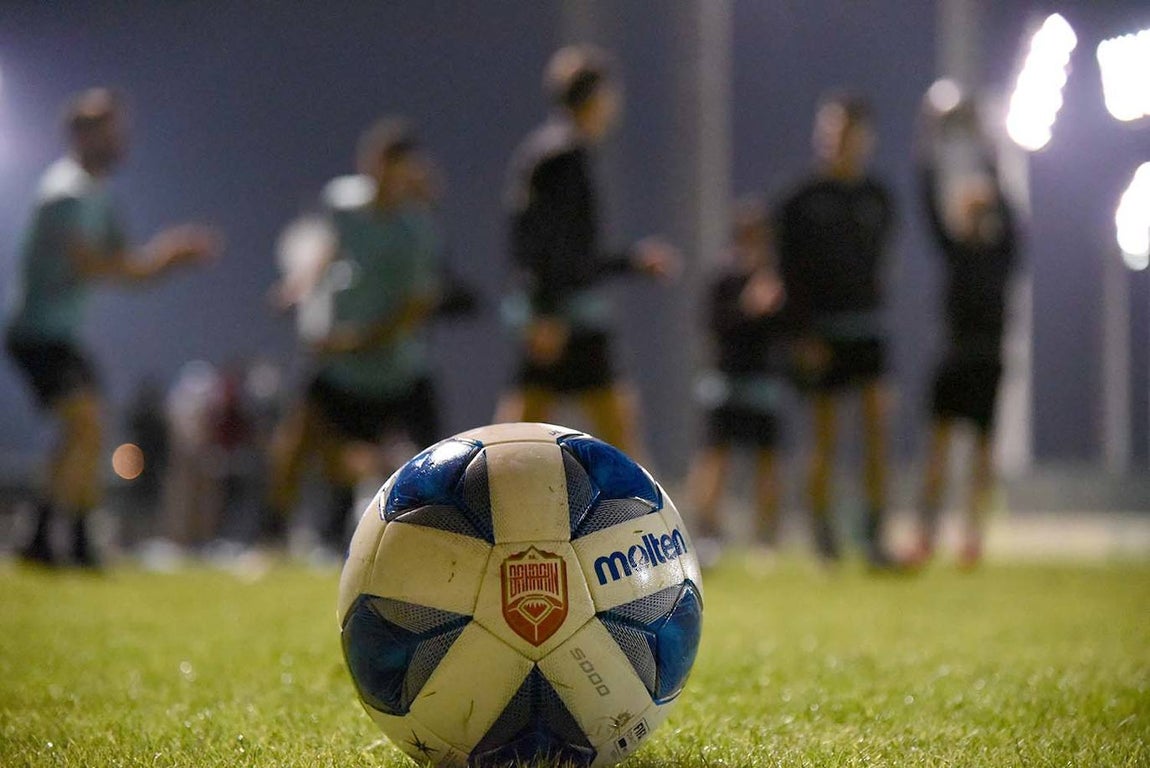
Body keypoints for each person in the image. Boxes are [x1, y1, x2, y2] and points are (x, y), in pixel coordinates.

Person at [4, 88, 219, 568]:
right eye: (107, 130)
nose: (119, 140)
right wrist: (161, 256)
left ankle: (58, 536)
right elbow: (94, 264)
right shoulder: (66, 192)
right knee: (85, 422)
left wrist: (170, 260)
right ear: (81, 135)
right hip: (36, 332)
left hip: (61, 336)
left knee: (87, 430)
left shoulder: (98, 195)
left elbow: (131, 269)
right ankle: (54, 536)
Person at [264, 119, 444, 556]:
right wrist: (299, 285)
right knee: (294, 440)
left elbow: (416, 306)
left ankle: (435, 546)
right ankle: (270, 539)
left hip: (394, 368)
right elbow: (329, 246)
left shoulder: (417, 230)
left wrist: (357, 340)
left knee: (432, 465)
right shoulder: (342, 202)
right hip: (339, 363)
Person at [497, 45, 677, 454]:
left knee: (515, 442)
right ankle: (636, 518)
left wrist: (632, 263)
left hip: (560, 313)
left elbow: (571, 252)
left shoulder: (556, 152)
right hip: (565, 319)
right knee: (615, 443)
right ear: (595, 97)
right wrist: (546, 311)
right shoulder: (562, 156)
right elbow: (539, 244)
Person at [774, 93, 897, 567]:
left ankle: (873, 535)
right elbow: (788, 272)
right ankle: (822, 535)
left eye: (846, 131)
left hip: (867, 329)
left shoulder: (878, 197)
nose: (837, 140)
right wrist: (801, 335)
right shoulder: (801, 199)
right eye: (829, 131)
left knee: (876, 433)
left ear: (865, 137)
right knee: (824, 438)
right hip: (820, 333)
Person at [909, 93, 1019, 569]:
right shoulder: (954, 250)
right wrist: (930, 132)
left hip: (988, 358)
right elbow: (925, 191)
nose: (973, 206)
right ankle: (925, 534)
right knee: (936, 451)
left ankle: (972, 537)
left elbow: (1008, 204)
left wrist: (987, 145)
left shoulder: (1003, 252)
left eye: (981, 202)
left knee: (981, 455)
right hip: (953, 357)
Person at [687, 200, 787, 561]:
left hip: (764, 382)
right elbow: (715, 325)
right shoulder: (725, 276)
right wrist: (749, 307)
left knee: (768, 461)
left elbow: (786, 330)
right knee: (715, 458)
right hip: (727, 379)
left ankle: (765, 540)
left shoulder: (775, 278)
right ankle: (707, 534)